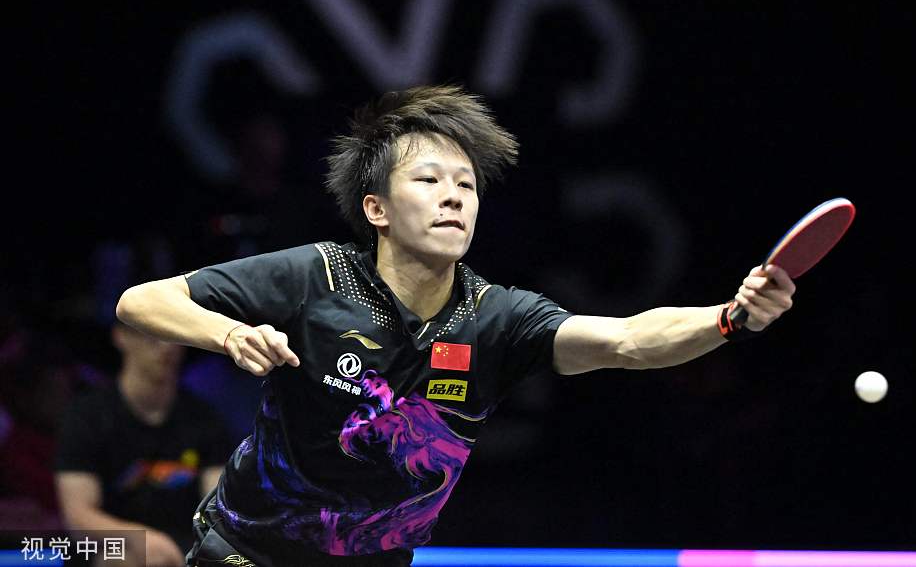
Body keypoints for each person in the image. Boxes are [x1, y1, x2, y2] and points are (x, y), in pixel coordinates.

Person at [116, 85, 795, 567]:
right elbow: (141, 301)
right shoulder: (316, 275)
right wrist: (230, 334)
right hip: (247, 553)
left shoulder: (497, 316)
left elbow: (628, 342)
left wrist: (729, 318)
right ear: (377, 209)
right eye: (430, 180)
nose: (453, 197)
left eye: (466, 185)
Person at [54, 320, 234, 567]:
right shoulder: (87, 416)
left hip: (185, 548)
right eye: (152, 336)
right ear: (121, 336)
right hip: (113, 546)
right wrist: (141, 540)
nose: (167, 347)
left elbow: (217, 508)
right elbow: (78, 516)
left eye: (174, 337)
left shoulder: (205, 419)